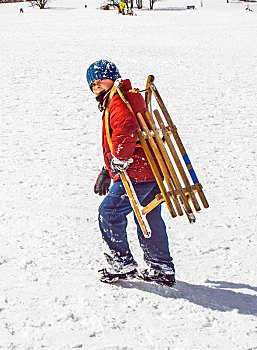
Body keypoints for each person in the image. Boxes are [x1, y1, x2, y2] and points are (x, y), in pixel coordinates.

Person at [86, 59, 175, 286]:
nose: (97, 88)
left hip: (138, 172)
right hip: (153, 169)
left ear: (112, 78)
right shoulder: (126, 96)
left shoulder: (118, 100)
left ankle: (120, 264)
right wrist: (108, 170)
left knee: (109, 212)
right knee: (147, 214)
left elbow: (126, 127)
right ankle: (160, 267)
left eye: (100, 81)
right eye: (93, 85)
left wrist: (120, 160)